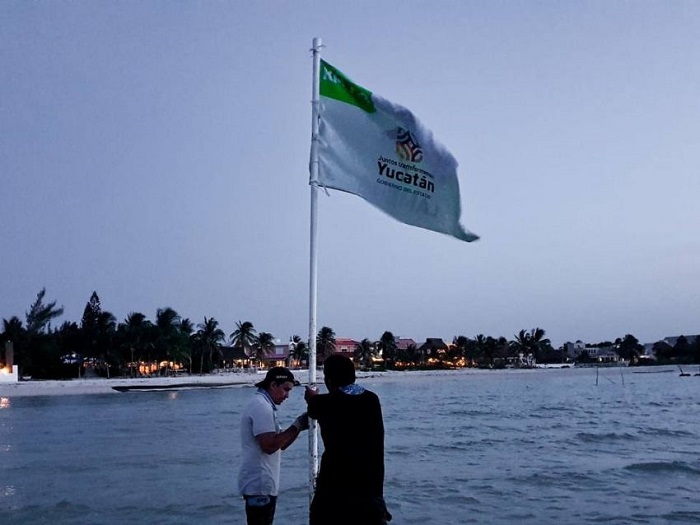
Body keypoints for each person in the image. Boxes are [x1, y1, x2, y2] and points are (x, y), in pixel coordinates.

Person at [305, 354, 392, 525]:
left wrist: (312, 397)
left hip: (335, 489)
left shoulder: (326, 403)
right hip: (371, 489)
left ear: (329, 380)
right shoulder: (371, 400)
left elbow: (314, 407)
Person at [238, 366, 309, 525]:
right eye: (285, 390)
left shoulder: (264, 405)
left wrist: (298, 426)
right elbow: (269, 446)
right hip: (260, 485)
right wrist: (297, 425)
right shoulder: (261, 407)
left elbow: (280, 444)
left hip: (261, 485)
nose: (287, 396)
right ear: (273, 385)